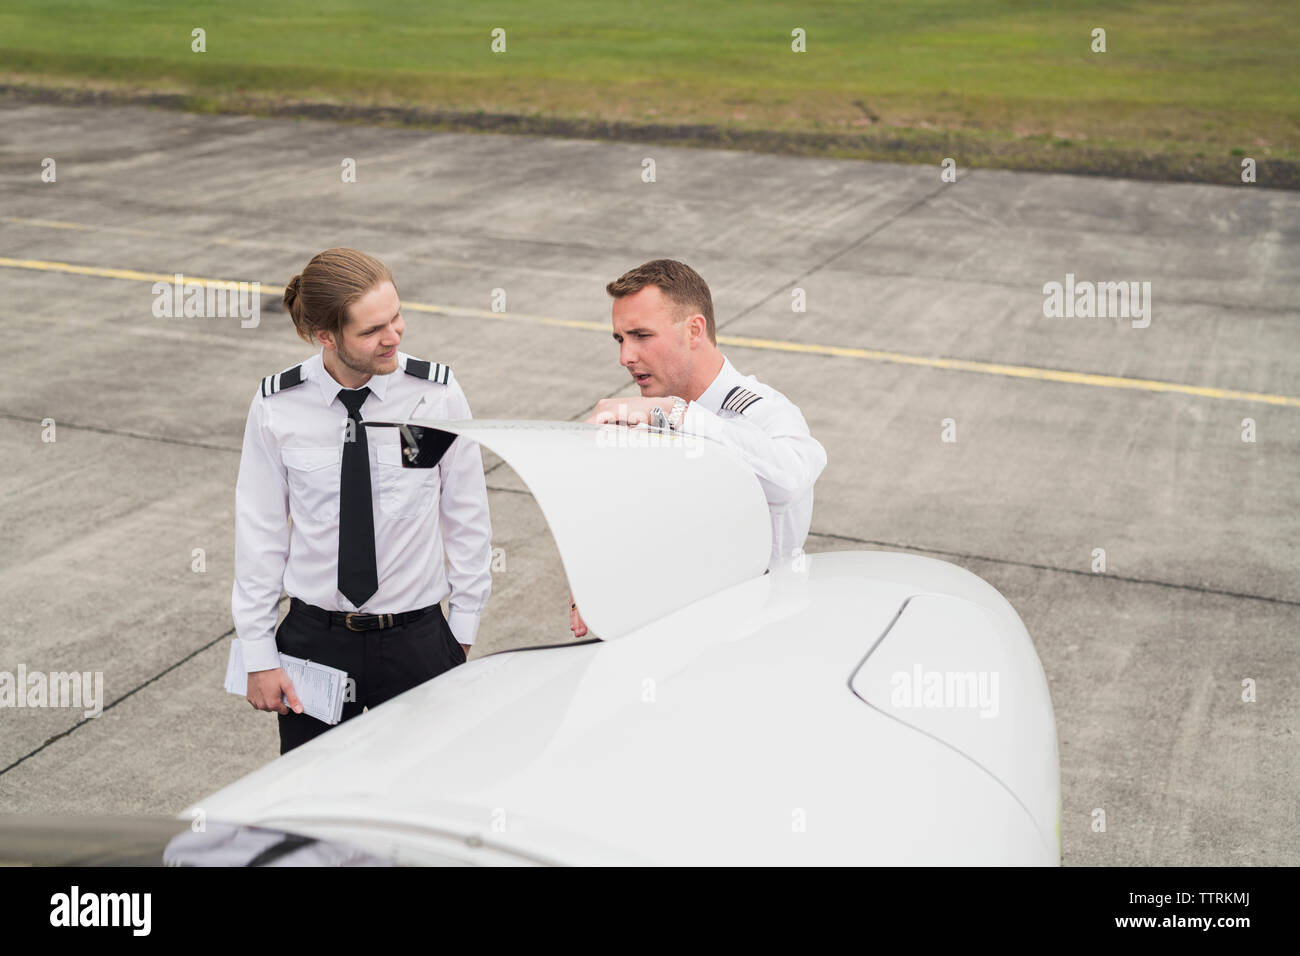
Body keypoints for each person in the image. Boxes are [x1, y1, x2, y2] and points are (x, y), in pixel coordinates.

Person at [233, 247, 493, 753]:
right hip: (315, 643)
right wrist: (258, 654)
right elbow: (259, 532)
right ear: (325, 336)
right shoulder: (276, 407)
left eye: (396, 317)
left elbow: (467, 515)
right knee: (315, 799)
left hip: (417, 640)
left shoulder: (434, 396)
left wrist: (461, 629)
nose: (393, 336)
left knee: (425, 795)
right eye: (372, 330)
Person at [571, 258, 826, 638]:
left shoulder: (762, 412)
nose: (625, 356)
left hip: (753, 643)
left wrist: (678, 414)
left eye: (641, 335)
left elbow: (791, 477)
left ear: (694, 330)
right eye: (620, 339)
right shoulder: (649, 416)